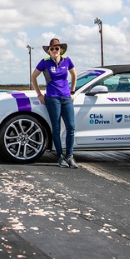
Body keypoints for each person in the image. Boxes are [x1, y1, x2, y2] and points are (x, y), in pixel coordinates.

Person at [31, 38, 78, 168]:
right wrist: (39, 94)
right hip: (52, 99)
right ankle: (60, 157)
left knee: (71, 127)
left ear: (61, 50)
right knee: (56, 128)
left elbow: (74, 75)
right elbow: (33, 77)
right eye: (52, 48)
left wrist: (72, 92)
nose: (54, 50)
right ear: (49, 51)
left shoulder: (67, 60)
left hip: (66, 98)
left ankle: (70, 156)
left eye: (57, 48)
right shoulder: (44, 62)